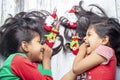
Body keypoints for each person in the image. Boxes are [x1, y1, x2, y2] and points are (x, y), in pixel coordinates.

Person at [0, 11, 53, 80]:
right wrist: (46, 60)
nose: (42, 46)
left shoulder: (35, 65)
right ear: (25, 46)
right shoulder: (17, 60)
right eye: (39, 42)